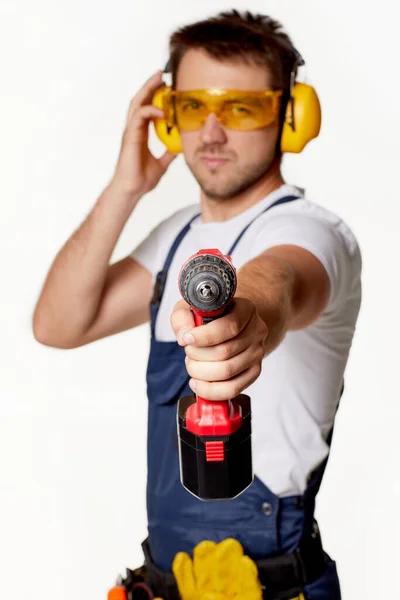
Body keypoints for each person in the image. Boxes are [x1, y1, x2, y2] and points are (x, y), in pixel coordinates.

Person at [32, 9, 362, 600]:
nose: (211, 132)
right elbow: (58, 324)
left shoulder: (314, 233)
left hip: (269, 587)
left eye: (241, 108)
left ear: (290, 116)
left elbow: (277, 281)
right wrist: (124, 188)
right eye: (192, 107)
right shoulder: (177, 237)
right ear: (167, 117)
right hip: (169, 582)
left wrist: (244, 322)